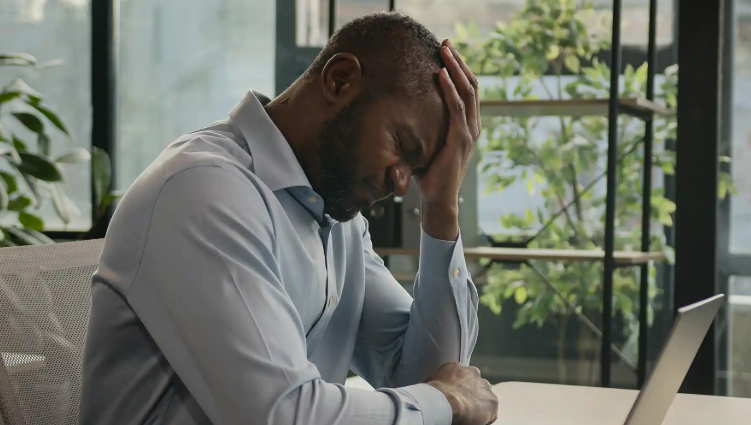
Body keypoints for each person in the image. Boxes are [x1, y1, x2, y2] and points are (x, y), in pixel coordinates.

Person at [79, 12, 498, 425]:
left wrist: (441, 207)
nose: (403, 184)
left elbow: (434, 377)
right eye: (402, 144)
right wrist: (446, 399)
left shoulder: (338, 221)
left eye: (417, 170)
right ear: (340, 80)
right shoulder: (202, 190)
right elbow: (281, 414)